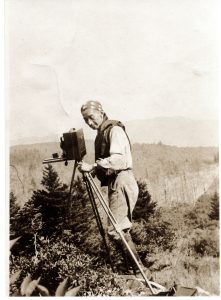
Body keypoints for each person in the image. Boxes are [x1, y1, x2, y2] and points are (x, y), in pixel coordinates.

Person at [78, 100, 144, 274]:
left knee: (116, 230)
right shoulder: (105, 131)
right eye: (86, 121)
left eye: (91, 118)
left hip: (122, 179)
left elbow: (119, 160)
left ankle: (139, 271)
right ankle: (133, 270)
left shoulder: (114, 130)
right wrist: (95, 169)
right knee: (119, 229)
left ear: (101, 112)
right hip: (118, 181)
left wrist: (93, 166)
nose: (90, 123)